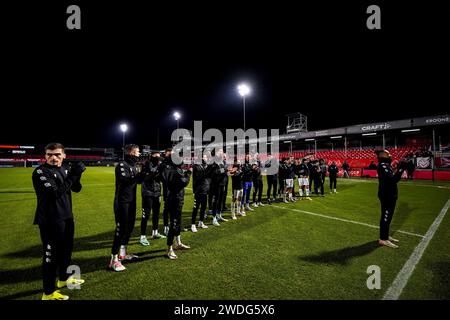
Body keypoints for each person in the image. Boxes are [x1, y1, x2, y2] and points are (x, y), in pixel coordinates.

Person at [32, 143, 86, 300]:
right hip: (50, 220)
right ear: (45, 156)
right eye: (49, 154)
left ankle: (64, 279)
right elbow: (56, 193)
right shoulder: (40, 172)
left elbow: (76, 188)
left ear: (64, 155)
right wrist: (73, 175)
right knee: (51, 257)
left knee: (66, 252)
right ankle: (48, 293)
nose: (53, 158)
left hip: (67, 217)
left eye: (56, 154)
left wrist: (78, 174)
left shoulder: (65, 168)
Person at [109, 144, 145, 272]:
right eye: (137, 152)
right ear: (130, 152)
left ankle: (122, 254)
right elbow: (125, 180)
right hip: (122, 202)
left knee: (129, 228)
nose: (138, 154)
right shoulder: (122, 165)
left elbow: (138, 181)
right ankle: (113, 260)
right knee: (121, 229)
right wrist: (139, 175)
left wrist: (146, 173)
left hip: (131, 201)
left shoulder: (134, 166)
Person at [376, 149, 407, 248]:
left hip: (390, 195)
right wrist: (401, 168)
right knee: (386, 216)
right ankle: (383, 239)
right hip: (386, 195)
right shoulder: (382, 166)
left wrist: (398, 168)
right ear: (383, 156)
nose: (390, 155)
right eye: (388, 154)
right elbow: (393, 180)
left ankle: (385, 236)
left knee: (388, 217)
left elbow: (392, 177)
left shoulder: (386, 165)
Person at [165, 155, 192, 259]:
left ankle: (178, 243)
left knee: (177, 223)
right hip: (174, 200)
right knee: (174, 224)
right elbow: (184, 182)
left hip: (177, 199)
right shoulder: (175, 171)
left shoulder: (174, 170)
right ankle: (169, 249)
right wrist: (188, 173)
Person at [140, 151, 164, 247]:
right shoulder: (145, 164)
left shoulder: (160, 165)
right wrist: (156, 173)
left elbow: (161, 178)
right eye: (156, 156)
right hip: (147, 193)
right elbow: (145, 178)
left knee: (156, 214)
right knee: (146, 215)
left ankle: (155, 232)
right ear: (151, 156)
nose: (158, 158)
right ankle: (142, 236)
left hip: (157, 192)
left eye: (159, 156)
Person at [191, 153, 212, 232]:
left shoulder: (206, 166)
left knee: (203, 207)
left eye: (206, 157)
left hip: (205, 190)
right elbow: (195, 178)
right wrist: (194, 190)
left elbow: (209, 178)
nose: (206, 158)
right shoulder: (196, 166)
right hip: (198, 190)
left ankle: (201, 222)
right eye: (205, 157)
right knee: (196, 208)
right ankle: (193, 224)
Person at [210, 149, 229, 226]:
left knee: (220, 200)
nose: (222, 153)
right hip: (216, 184)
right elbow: (216, 172)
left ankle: (219, 215)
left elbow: (223, 171)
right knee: (216, 201)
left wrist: (226, 170)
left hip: (222, 184)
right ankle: (214, 218)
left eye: (223, 151)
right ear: (217, 153)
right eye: (220, 151)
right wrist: (224, 169)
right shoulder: (214, 161)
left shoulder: (222, 161)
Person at [159, 148, 173, 236]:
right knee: (166, 209)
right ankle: (165, 227)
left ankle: (173, 225)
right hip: (167, 190)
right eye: (169, 153)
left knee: (174, 209)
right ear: (165, 154)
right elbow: (162, 177)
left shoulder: (174, 163)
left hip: (175, 191)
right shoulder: (163, 164)